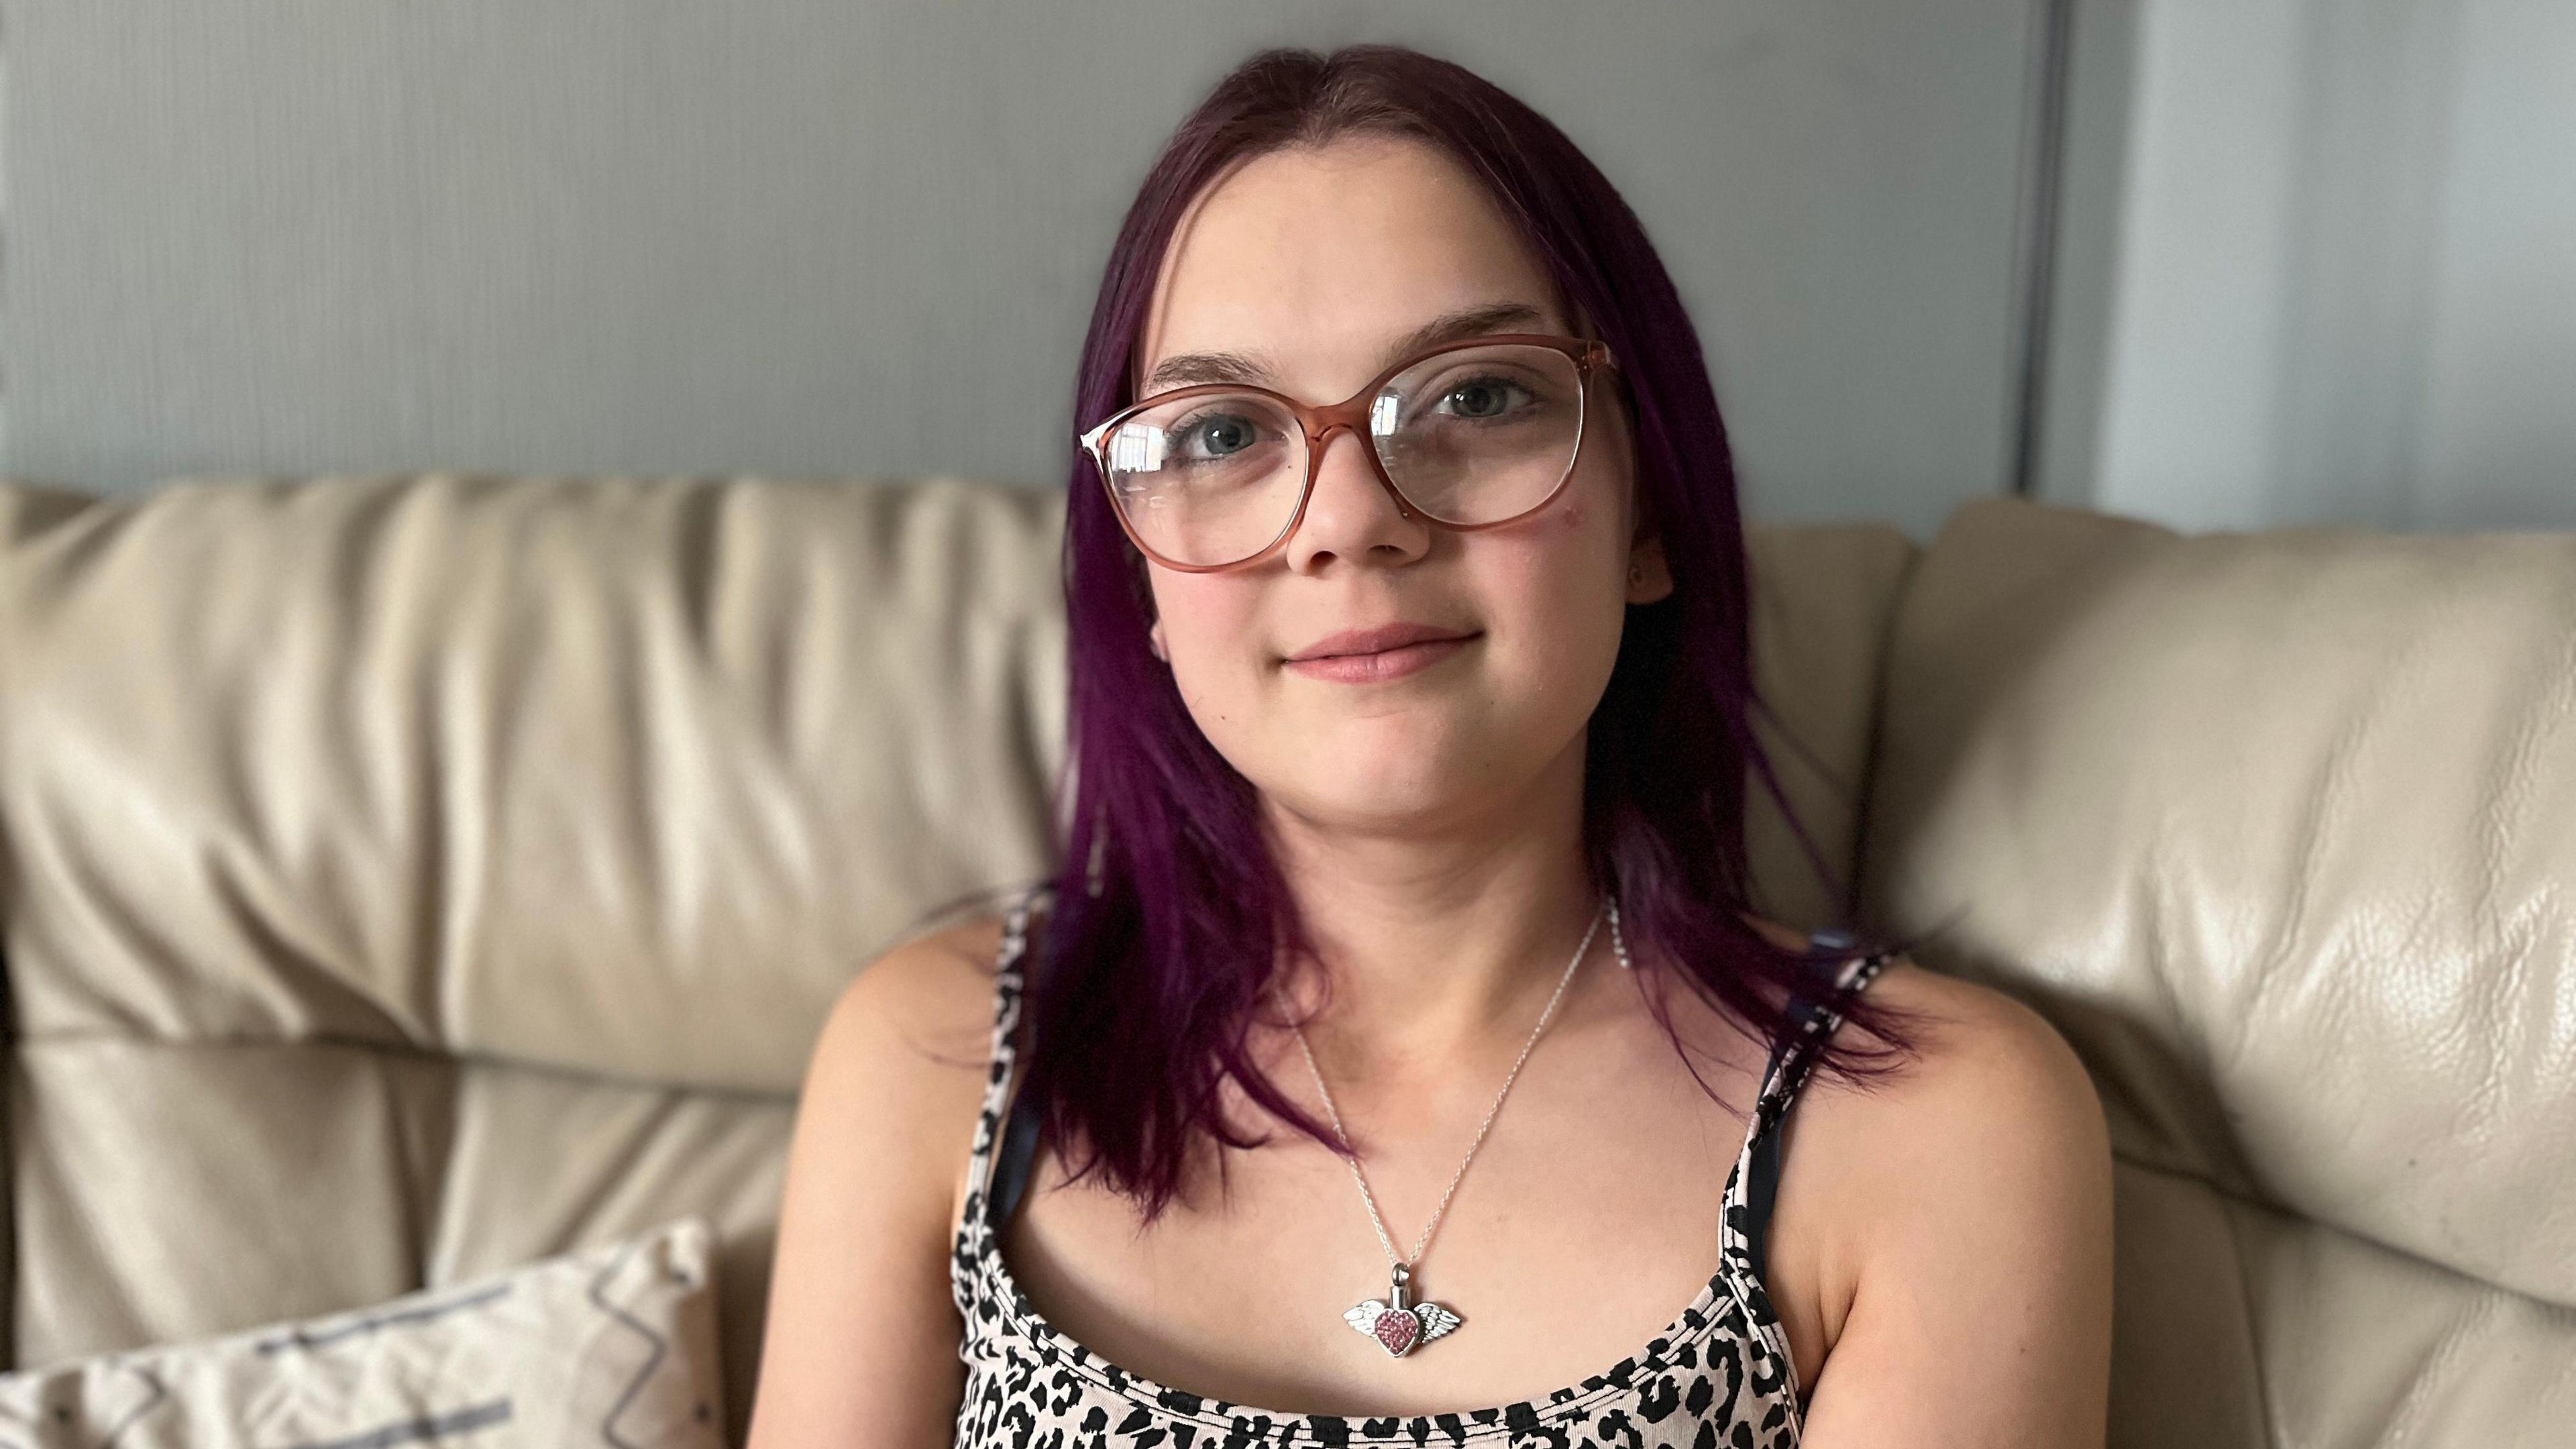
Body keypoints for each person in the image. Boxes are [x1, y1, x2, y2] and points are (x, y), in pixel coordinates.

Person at [747, 42, 2112, 1449]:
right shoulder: (941, 1056)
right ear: (1144, 583)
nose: (1348, 518)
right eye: (1223, 431)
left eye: (1474, 397)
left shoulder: (1929, 1130)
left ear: (1648, 510)